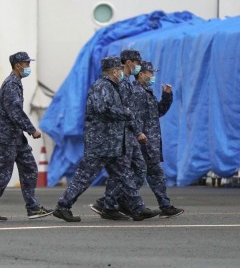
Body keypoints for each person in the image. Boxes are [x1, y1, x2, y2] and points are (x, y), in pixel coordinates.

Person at [52, 56, 159, 222]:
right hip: (100, 143)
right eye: (120, 70)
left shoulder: (114, 87)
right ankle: (63, 206)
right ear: (115, 71)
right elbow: (103, 108)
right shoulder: (101, 86)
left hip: (114, 143)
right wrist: (126, 113)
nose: (123, 73)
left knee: (124, 175)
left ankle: (136, 208)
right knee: (85, 176)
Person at [0, 52, 53, 221]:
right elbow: (15, 112)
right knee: (2, 175)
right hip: (7, 139)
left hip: (17, 138)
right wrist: (31, 129)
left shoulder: (16, 83)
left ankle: (33, 207)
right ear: (18, 65)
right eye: (26, 64)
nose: (28, 67)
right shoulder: (11, 84)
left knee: (30, 169)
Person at [90, 49, 158, 219]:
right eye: (137, 62)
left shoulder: (125, 81)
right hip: (123, 134)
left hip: (128, 133)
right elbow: (124, 111)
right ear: (129, 62)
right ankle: (112, 204)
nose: (139, 66)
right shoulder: (121, 83)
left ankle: (116, 201)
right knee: (122, 170)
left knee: (137, 168)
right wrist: (137, 131)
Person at [129, 60, 184, 217]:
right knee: (141, 175)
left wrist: (167, 97)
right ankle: (110, 202)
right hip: (143, 141)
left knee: (151, 174)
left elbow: (157, 112)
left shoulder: (147, 91)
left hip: (150, 141)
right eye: (150, 73)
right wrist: (139, 133)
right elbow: (135, 117)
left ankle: (165, 205)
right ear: (141, 74)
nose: (153, 76)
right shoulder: (138, 93)